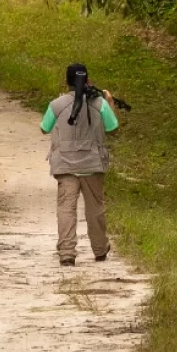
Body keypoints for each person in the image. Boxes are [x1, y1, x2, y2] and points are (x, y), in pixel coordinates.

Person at [41, 63, 119, 267]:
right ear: (88, 80)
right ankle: (100, 249)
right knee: (95, 208)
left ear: (66, 82)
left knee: (66, 208)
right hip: (92, 163)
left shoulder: (56, 104)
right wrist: (109, 104)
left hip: (65, 165)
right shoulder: (99, 103)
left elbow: (44, 128)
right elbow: (112, 127)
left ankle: (67, 253)